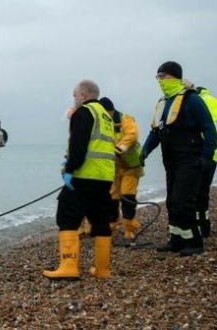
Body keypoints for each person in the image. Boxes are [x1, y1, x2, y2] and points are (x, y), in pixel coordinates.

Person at [141, 61, 216, 257]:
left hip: (190, 160)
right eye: (158, 77)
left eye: (163, 76)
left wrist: (207, 156)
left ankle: (194, 242)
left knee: (184, 201)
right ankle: (176, 240)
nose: (160, 81)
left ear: (175, 77)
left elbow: (209, 129)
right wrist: (144, 152)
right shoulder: (162, 104)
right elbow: (155, 133)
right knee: (172, 201)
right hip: (171, 161)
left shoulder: (192, 100)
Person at [42, 80, 115, 280]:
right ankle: (102, 270)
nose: (74, 99)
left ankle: (68, 266)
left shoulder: (84, 112)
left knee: (67, 214)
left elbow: (79, 145)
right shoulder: (105, 116)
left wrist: (70, 167)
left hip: (85, 175)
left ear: (82, 95)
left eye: (75, 95)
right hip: (105, 176)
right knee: (100, 220)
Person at [98, 97, 145, 240]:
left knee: (127, 196)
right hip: (112, 169)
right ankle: (111, 228)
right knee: (111, 199)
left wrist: (118, 149)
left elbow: (132, 135)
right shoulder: (100, 123)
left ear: (110, 111)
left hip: (131, 166)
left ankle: (129, 229)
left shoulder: (125, 119)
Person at [183, 79, 217, 238]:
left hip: (201, 154)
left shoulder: (194, 102)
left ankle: (198, 228)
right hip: (213, 155)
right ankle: (204, 227)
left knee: (195, 194)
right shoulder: (213, 100)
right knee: (202, 192)